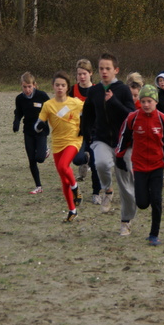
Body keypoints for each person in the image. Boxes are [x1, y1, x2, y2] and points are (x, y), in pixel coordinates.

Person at [116, 85, 164, 246]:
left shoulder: (162, 119)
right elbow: (123, 138)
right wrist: (119, 156)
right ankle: (142, 197)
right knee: (142, 203)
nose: (146, 104)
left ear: (155, 102)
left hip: (156, 166)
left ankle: (154, 234)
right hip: (139, 166)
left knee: (156, 200)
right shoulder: (132, 118)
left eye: (149, 101)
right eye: (143, 101)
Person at [81, 53, 137, 235]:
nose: (104, 72)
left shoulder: (123, 90)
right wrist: (87, 134)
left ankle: (126, 221)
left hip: (123, 142)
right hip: (101, 139)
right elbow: (87, 114)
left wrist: (113, 101)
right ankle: (107, 190)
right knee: (101, 163)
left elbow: (130, 114)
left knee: (127, 186)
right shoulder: (94, 91)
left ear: (116, 70)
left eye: (108, 68)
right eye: (101, 68)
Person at [35, 71, 84, 222]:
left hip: (73, 140)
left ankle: (76, 189)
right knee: (63, 180)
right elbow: (37, 125)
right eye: (57, 85)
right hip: (57, 143)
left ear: (67, 87)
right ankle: (72, 210)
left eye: (63, 85)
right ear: (53, 86)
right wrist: (39, 126)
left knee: (64, 166)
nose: (60, 88)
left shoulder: (75, 103)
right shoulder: (48, 105)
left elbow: (90, 111)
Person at [68, 59, 103, 205]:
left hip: (95, 132)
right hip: (78, 132)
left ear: (90, 74)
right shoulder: (73, 90)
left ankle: (96, 193)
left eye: (84, 74)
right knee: (76, 159)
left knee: (96, 165)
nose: (82, 77)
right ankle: (84, 161)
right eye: (79, 74)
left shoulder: (97, 90)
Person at [13, 72, 51, 195]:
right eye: (24, 87)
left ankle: (45, 151)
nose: (27, 89)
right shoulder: (19, 98)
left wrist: (46, 123)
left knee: (39, 158)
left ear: (34, 85)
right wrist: (16, 122)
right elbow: (18, 112)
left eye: (29, 86)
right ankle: (38, 186)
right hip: (28, 131)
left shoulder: (42, 96)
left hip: (41, 130)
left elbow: (51, 109)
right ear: (21, 86)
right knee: (31, 160)